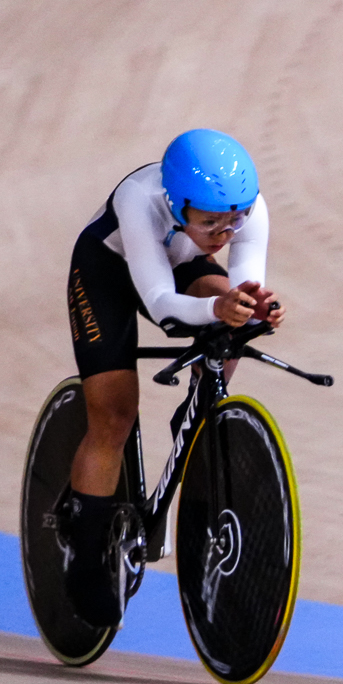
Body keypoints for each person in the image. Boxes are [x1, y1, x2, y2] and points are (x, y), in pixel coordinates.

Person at [61, 129, 280, 628]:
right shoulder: (139, 199)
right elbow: (163, 306)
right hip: (109, 273)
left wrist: (254, 308)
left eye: (234, 222)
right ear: (176, 205)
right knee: (114, 414)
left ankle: (197, 405)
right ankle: (82, 542)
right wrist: (216, 307)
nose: (226, 234)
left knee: (234, 313)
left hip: (180, 266)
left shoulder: (247, 208)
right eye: (210, 223)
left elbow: (244, 286)